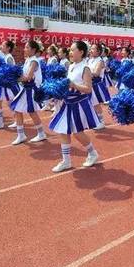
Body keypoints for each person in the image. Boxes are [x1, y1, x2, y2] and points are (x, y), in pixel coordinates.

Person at [49, 41, 101, 173]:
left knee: (77, 133)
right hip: (67, 103)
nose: (70, 52)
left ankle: (92, 153)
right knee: (63, 130)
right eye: (70, 50)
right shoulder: (71, 66)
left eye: (73, 50)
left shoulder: (85, 68)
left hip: (78, 104)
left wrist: (74, 85)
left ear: (81, 52)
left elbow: (88, 89)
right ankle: (66, 161)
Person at [10, 40, 47, 145]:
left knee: (31, 111)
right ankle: (22, 134)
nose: (24, 49)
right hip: (25, 89)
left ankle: (40, 133)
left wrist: (14, 78)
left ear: (33, 49)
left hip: (31, 89)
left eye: (27, 47)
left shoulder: (34, 61)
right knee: (18, 110)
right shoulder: (28, 60)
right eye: (25, 47)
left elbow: (28, 77)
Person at [0, 40, 19, 130]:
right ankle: (2, 122)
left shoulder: (8, 58)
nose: (1, 47)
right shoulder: (6, 57)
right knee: (1, 101)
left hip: (8, 84)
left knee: (9, 102)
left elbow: (12, 71)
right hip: (4, 84)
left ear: (8, 48)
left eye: (3, 45)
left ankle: (13, 121)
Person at [87, 43, 110, 129]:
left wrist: (85, 73)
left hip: (96, 85)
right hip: (89, 84)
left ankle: (101, 122)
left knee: (95, 103)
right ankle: (95, 120)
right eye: (91, 48)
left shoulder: (100, 61)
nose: (91, 50)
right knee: (91, 103)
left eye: (93, 49)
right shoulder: (89, 60)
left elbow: (96, 73)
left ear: (98, 51)